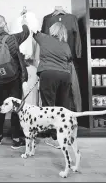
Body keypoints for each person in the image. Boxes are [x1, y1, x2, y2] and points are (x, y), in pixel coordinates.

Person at [31, 21, 72, 149]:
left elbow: (32, 31)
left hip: (49, 74)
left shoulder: (44, 38)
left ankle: (54, 137)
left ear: (52, 30)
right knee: (62, 106)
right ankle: (64, 137)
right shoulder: (66, 45)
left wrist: (26, 18)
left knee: (49, 107)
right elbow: (69, 59)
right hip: (65, 75)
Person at [0, 16, 30, 149]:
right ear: (5, 26)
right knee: (15, 106)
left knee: (1, 106)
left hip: (0, 78)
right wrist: (25, 24)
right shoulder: (12, 38)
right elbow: (26, 33)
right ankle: (15, 138)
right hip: (13, 77)